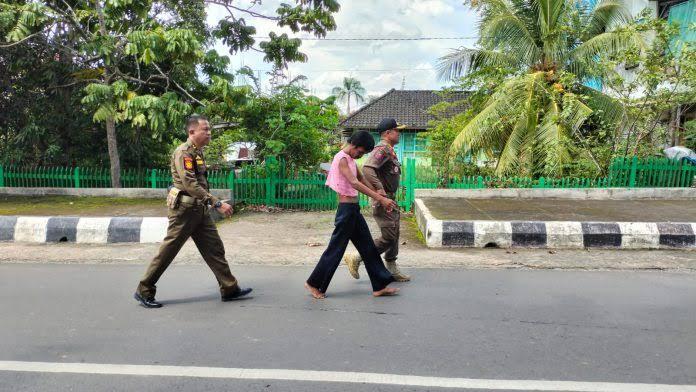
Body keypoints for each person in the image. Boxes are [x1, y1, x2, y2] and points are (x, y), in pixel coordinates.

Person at [134, 115, 252, 308]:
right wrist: (216, 203)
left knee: (214, 248)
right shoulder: (183, 152)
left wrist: (208, 204)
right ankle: (144, 290)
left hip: (199, 209)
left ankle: (229, 288)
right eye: (205, 129)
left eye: (209, 129)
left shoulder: (197, 152)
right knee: (168, 252)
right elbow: (190, 184)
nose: (209, 133)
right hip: (184, 211)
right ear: (192, 132)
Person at [305, 131, 402, 299]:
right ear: (354, 145)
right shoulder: (341, 158)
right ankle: (314, 283)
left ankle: (379, 285)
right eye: (360, 152)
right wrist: (379, 198)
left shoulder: (350, 160)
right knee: (335, 249)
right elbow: (354, 183)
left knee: (368, 248)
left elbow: (362, 178)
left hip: (353, 210)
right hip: (345, 211)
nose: (360, 156)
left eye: (363, 154)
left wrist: (381, 196)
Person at [343, 118, 411, 282]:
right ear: (388, 133)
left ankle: (392, 268)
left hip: (390, 199)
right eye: (397, 130)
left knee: (394, 233)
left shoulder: (390, 150)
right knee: (389, 235)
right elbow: (368, 168)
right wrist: (380, 191)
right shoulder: (382, 149)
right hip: (383, 200)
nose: (399, 133)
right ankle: (357, 257)